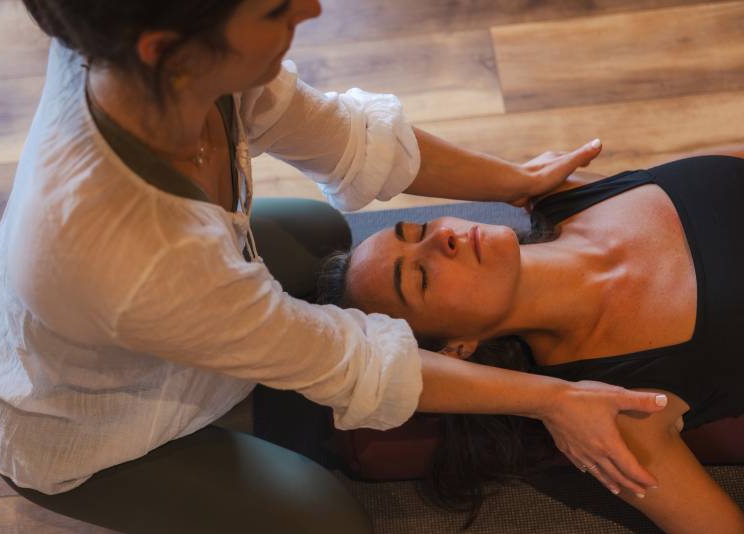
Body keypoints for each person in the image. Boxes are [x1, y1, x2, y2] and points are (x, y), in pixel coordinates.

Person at [0, 0, 666, 517]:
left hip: (137, 305)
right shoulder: (132, 259)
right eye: (277, 10)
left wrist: (516, 180)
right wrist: (558, 400)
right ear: (164, 50)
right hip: (76, 422)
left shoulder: (150, 59)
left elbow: (333, 130)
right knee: (323, 516)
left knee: (319, 228)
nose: (313, 8)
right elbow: (349, 362)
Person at [316, 153, 744, 533]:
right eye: (421, 278)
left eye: (420, 229)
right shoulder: (616, 407)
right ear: (457, 349)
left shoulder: (566, 194)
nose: (441, 238)